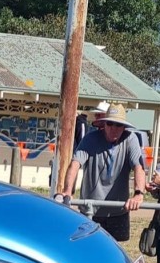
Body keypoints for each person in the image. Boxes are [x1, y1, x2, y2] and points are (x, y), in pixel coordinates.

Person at [57, 102, 146, 241]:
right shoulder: (90, 138)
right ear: (103, 124)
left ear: (124, 127)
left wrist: (138, 194)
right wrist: (68, 191)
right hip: (90, 210)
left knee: (114, 252)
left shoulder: (130, 139)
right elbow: (75, 163)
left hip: (118, 211)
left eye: (118, 125)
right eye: (110, 123)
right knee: (87, 247)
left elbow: (138, 167)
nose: (114, 128)